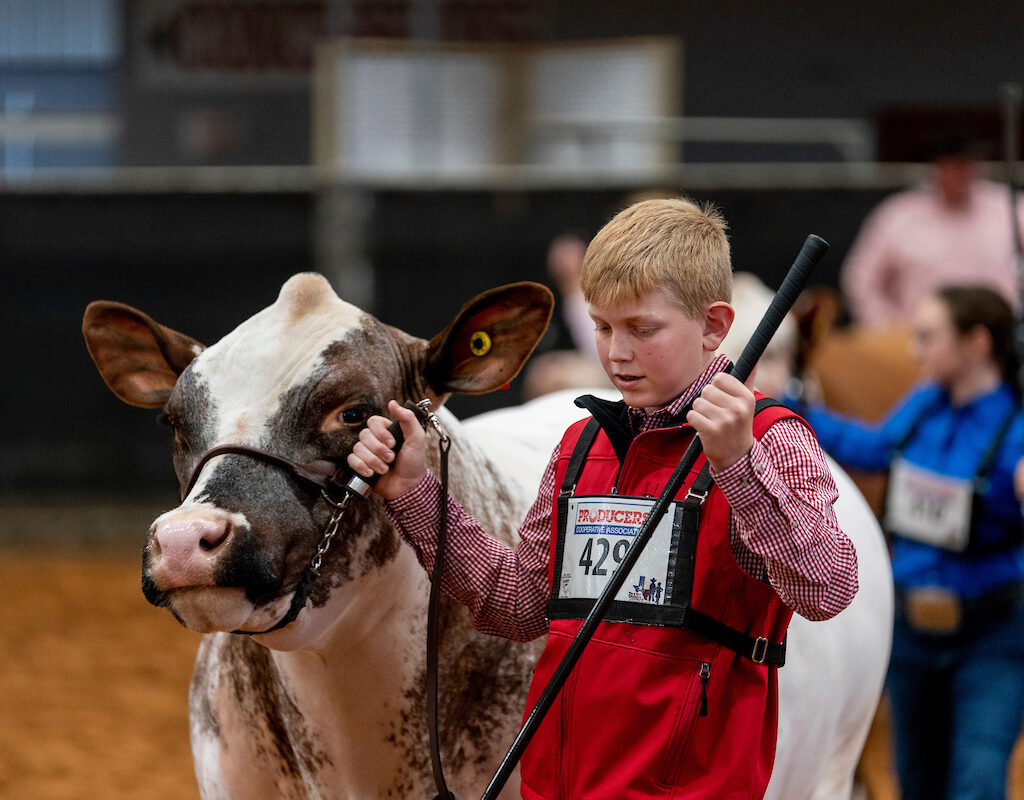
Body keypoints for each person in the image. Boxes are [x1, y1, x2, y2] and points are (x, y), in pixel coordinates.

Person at [348, 197, 859, 799]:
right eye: (602, 326)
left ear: (716, 326)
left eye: (643, 330)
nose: (617, 353)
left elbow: (828, 589)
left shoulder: (772, 440)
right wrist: (412, 492)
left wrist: (737, 468)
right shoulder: (579, 444)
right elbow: (516, 601)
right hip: (553, 784)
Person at [793, 284, 1024, 800]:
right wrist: (786, 406)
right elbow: (872, 448)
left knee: (979, 776)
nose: (915, 350)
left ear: (977, 343)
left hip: (991, 633)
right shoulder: (922, 406)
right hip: (911, 632)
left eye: (927, 337)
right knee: (915, 778)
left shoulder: (1016, 428)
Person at [841, 130, 1024, 328]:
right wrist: (886, 325)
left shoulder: (1010, 206)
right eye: (949, 165)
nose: (957, 173)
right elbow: (860, 278)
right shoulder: (898, 214)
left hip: (1000, 335)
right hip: (920, 337)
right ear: (935, 167)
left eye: (964, 164)